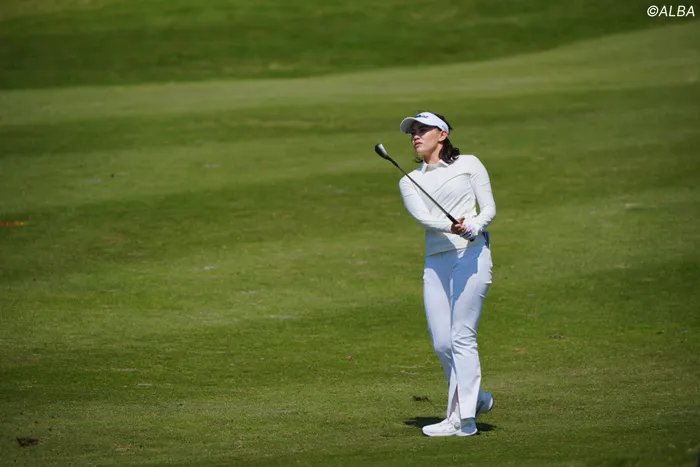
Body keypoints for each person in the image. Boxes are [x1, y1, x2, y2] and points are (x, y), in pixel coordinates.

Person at [397, 111, 496, 437]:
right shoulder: (409, 180)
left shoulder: (469, 164)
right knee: (442, 343)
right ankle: (476, 398)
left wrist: (474, 225)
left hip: (472, 254)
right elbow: (423, 218)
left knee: (461, 336)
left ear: (442, 134)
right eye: (413, 131)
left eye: (423, 129)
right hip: (436, 261)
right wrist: (451, 226)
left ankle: (463, 420)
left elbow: (489, 207)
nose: (416, 135)